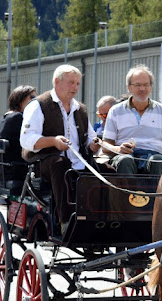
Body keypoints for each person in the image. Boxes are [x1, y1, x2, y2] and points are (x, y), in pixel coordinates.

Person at [20, 64, 111, 234]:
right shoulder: (38, 105)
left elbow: (91, 139)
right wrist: (53, 141)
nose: (75, 87)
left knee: (109, 171)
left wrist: (95, 144)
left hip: (79, 162)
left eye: (77, 83)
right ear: (56, 81)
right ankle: (65, 222)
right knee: (61, 164)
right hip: (45, 163)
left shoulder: (80, 109)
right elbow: (26, 139)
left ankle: (108, 222)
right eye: (71, 83)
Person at [103, 64, 162, 175]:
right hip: (125, 157)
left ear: (151, 87)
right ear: (129, 87)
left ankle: (156, 193)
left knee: (157, 161)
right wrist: (118, 150)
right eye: (138, 85)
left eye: (146, 85)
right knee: (125, 160)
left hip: (153, 158)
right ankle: (127, 193)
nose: (142, 89)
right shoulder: (116, 111)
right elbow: (105, 145)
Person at [0, 85, 36, 182]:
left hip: (6, 170)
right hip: (18, 170)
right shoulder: (18, 118)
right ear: (20, 99)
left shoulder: (6, 117)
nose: (35, 101)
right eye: (32, 98)